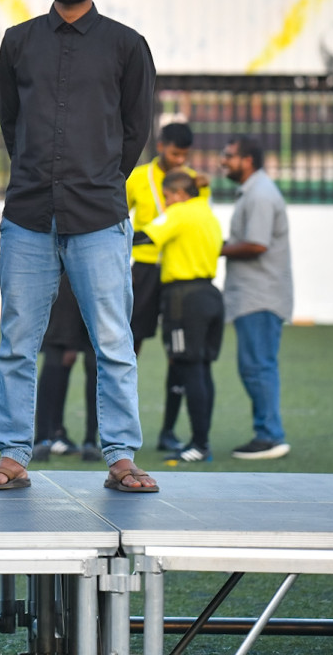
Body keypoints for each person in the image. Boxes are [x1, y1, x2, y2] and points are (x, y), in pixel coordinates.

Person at [0, 0, 159, 495]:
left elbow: (135, 132)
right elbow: (11, 124)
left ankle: (122, 457)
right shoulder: (18, 42)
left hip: (99, 218)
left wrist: (97, 179)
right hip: (28, 215)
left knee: (113, 342)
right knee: (17, 343)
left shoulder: (128, 46)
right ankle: (11, 456)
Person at [126, 121, 211, 453]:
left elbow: (198, 220)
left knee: (179, 354)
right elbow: (119, 216)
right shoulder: (136, 178)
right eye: (176, 154)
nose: (180, 161)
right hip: (145, 270)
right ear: (161, 146)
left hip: (178, 273)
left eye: (185, 156)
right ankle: (122, 426)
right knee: (130, 347)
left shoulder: (194, 182)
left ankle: (168, 431)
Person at [136, 170, 224, 463]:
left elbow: (146, 236)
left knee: (188, 368)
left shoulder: (180, 213)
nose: (165, 203)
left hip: (183, 299)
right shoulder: (206, 214)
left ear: (179, 194)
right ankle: (202, 441)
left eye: (167, 197)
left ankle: (199, 445)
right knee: (202, 367)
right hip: (210, 294)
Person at [220, 135, 293, 460]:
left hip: (260, 297)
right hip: (253, 296)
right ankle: (267, 432)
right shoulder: (253, 191)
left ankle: (270, 436)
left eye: (229, 156)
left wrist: (212, 248)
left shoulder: (260, 194)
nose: (224, 161)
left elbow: (256, 244)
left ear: (247, 160)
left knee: (258, 367)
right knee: (255, 366)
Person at [30, 276, 100, 463]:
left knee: (95, 364)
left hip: (89, 277)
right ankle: (49, 436)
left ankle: (87, 440)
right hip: (79, 277)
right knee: (61, 355)